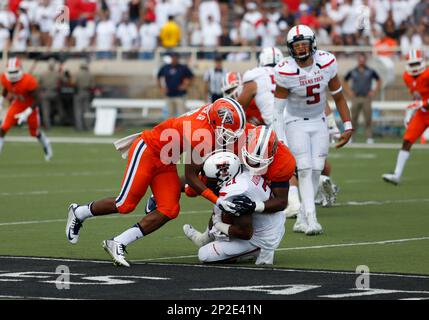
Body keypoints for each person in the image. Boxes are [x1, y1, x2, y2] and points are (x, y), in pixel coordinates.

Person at [65, 98, 246, 267]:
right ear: (215, 122)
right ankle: (78, 212)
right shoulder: (201, 132)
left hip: (167, 158)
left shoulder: (211, 115)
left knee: (169, 209)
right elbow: (191, 176)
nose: (229, 137)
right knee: (125, 204)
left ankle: (118, 242)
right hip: (148, 151)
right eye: (227, 132)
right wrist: (217, 200)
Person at [272, 25, 353, 235]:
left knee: (317, 168)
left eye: (303, 44)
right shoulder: (285, 70)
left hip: (318, 121)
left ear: (312, 43)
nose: (300, 48)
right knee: (305, 168)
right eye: (296, 45)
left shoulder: (326, 62)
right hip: (295, 121)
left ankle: (301, 217)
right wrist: (280, 140)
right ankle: (311, 218)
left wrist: (348, 125)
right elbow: (277, 112)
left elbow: (339, 97)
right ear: (290, 48)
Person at [183, 150, 286, 265]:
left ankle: (256, 250)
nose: (207, 182)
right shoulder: (240, 172)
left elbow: (245, 233)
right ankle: (205, 239)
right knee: (219, 208)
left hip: (259, 237)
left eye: (210, 179)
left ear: (223, 176)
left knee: (205, 254)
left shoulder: (236, 192)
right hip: (265, 222)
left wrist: (218, 224)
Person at [382, 49, 429, 185]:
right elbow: (416, 97)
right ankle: (397, 174)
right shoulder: (407, 77)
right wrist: (410, 113)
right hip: (422, 113)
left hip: (424, 108)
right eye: (412, 64)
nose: (414, 67)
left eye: (416, 64)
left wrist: (423, 103)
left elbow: (421, 100)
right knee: (407, 141)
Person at [0, 57, 53, 161]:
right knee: (3, 128)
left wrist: (27, 112)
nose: (12, 74)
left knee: (34, 133)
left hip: (31, 106)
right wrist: (1, 100)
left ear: (20, 69)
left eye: (15, 71)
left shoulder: (29, 80)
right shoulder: (4, 78)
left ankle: (46, 143)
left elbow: (38, 98)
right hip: (17, 105)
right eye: (10, 72)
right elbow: (6, 89)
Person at [343, 53, 382, 144]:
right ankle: (352, 137)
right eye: (360, 59)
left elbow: (379, 80)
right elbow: (344, 80)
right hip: (355, 97)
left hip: (366, 98)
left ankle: (369, 137)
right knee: (353, 118)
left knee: (368, 118)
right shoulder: (353, 71)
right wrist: (349, 91)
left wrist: (374, 91)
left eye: (363, 59)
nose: (361, 61)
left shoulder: (370, 71)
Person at [157, 52, 194, 118]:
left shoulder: (183, 68)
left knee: (183, 115)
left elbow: (191, 77)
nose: (174, 59)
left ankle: (184, 128)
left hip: (180, 95)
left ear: (178, 58)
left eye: (175, 58)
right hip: (169, 95)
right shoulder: (166, 67)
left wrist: (186, 85)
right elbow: (158, 76)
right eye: (172, 57)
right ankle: (171, 128)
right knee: (170, 116)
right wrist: (161, 87)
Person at [39, 58, 62, 130]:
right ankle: (61, 119)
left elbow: (39, 83)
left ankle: (48, 126)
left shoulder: (43, 73)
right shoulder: (57, 73)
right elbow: (65, 80)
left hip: (45, 93)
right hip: (54, 93)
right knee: (60, 107)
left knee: (46, 111)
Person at [73, 61, 94, 131]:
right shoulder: (89, 74)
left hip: (79, 92)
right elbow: (92, 85)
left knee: (78, 110)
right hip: (87, 92)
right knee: (87, 110)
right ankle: (87, 126)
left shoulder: (77, 73)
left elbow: (74, 83)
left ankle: (79, 127)